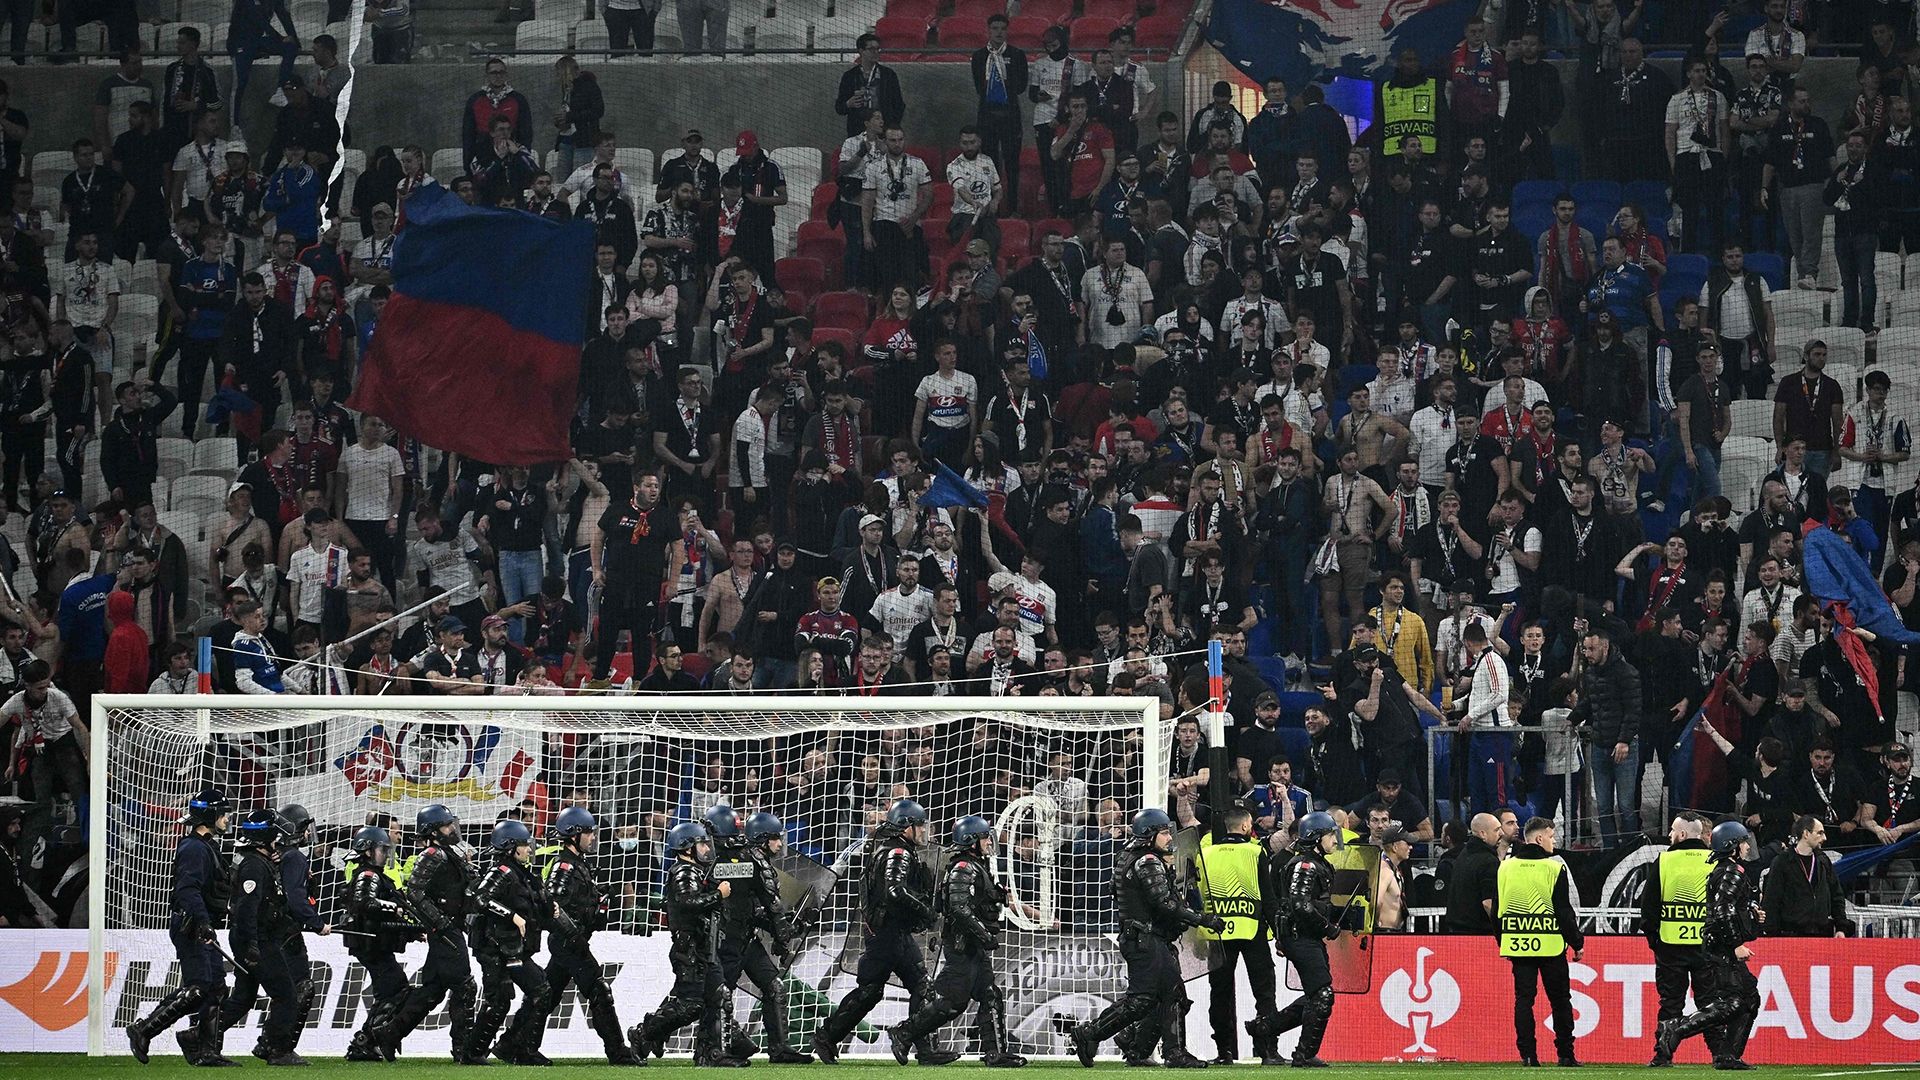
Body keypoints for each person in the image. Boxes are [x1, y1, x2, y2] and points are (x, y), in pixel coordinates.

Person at [1069, 807, 1221, 1068]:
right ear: (1148, 835)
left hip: (1145, 937)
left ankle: (1153, 1050)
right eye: (1163, 832)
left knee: (1171, 995)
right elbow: (1164, 903)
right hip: (1145, 938)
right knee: (1142, 1000)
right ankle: (1093, 1032)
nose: (1169, 838)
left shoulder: (1131, 856)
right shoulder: (1148, 861)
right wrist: (1201, 919)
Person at [812, 799, 960, 1064]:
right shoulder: (897, 853)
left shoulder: (894, 849)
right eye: (919, 825)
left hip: (893, 931)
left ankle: (922, 1048)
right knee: (872, 990)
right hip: (886, 933)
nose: (924, 831)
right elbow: (895, 891)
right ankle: (827, 1036)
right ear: (906, 827)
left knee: (920, 985)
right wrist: (926, 912)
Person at [887, 814, 1027, 1067]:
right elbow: (959, 909)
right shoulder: (963, 867)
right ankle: (904, 1032)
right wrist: (984, 935)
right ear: (971, 840)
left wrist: (997, 897)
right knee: (951, 1003)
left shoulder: (975, 865)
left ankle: (995, 1053)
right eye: (984, 837)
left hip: (973, 945)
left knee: (989, 995)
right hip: (963, 946)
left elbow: (975, 902)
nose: (989, 842)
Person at [127, 788, 233, 1066]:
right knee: (198, 988)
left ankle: (204, 1050)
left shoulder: (205, 845)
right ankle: (144, 1029)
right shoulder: (194, 848)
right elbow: (187, 890)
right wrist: (203, 922)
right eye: (224, 813)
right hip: (191, 924)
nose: (227, 819)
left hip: (200, 922)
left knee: (216, 987)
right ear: (210, 816)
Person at [366, 804, 479, 1063]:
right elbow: (414, 891)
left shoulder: (446, 853)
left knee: (432, 991)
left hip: (447, 927)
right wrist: (439, 923)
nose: (453, 828)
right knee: (464, 986)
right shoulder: (433, 854)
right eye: (447, 825)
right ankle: (464, 1050)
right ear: (433, 830)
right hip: (446, 929)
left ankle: (389, 1034)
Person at [626, 820, 745, 1066]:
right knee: (689, 1005)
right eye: (701, 843)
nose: (706, 848)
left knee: (717, 997)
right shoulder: (684, 872)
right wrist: (718, 895)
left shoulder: (697, 872)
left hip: (703, 946)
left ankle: (710, 1054)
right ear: (686, 847)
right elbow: (686, 903)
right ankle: (643, 1033)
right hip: (689, 948)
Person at [1653, 821, 1763, 1070]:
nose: (1747, 847)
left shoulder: (1723, 869)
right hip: (1723, 948)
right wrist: (1735, 945)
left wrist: (1752, 912)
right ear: (1732, 845)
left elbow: (1726, 907)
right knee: (1734, 1001)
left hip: (1716, 945)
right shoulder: (1733, 871)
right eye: (1743, 842)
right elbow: (1723, 911)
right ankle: (1677, 1027)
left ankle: (1727, 1055)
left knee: (1748, 997)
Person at [708, 805, 812, 1063]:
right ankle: (713, 1048)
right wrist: (782, 930)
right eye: (775, 838)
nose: (779, 844)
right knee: (716, 996)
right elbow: (767, 907)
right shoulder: (749, 862)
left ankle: (779, 1049)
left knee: (773, 986)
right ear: (762, 839)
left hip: (746, 937)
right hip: (727, 940)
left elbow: (754, 910)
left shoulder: (742, 861)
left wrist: (783, 928)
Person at [213, 809, 306, 1066]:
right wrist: (253, 945)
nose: (280, 840)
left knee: (243, 998)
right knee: (286, 994)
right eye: (277, 836)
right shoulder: (254, 865)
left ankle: (200, 1036)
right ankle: (277, 1050)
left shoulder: (258, 861)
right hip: (257, 940)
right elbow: (247, 909)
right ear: (267, 839)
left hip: (254, 938)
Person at [1263, 810, 1349, 1068]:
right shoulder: (1307, 865)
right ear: (1315, 837)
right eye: (1330, 834)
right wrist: (1327, 927)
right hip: (1302, 936)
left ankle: (1266, 1027)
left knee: (1317, 994)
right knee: (1322, 994)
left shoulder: (1313, 863)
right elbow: (1300, 905)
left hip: (1304, 936)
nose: (1335, 839)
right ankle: (1303, 1054)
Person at [1195, 805, 1279, 1064]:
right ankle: (1266, 1050)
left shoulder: (1205, 854)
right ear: (1245, 826)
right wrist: (1279, 934)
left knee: (1219, 993)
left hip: (1217, 932)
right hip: (1252, 929)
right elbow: (1268, 897)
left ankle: (1224, 1051)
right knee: (1264, 992)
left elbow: (1197, 894)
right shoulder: (1256, 851)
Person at [1499, 816, 1583, 1067]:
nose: (1554, 841)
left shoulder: (1505, 867)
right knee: (1560, 1000)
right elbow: (1563, 912)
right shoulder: (1554, 868)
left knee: (1523, 999)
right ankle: (1565, 1054)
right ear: (1539, 838)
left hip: (1518, 944)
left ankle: (1527, 1055)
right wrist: (1577, 942)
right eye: (1551, 835)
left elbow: (1497, 910)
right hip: (1550, 946)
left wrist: (1503, 939)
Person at [468, 818, 552, 1065]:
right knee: (503, 999)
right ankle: (475, 1053)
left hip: (511, 947)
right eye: (524, 844)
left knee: (536, 991)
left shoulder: (521, 873)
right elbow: (480, 899)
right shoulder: (502, 871)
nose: (529, 849)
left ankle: (514, 1048)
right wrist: (511, 916)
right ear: (511, 846)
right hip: (495, 948)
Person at [341, 825, 418, 1062]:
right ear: (367, 851)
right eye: (381, 850)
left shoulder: (376, 875)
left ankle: (367, 1040)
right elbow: (364, 902)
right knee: (394, 988)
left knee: (391, 990)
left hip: (376, 943)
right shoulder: (368, 875)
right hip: (370, 943)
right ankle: (365, 1040)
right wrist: (393, 907)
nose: (386, 854)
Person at [1643, 814, 1712, 1066]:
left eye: (1673, 831)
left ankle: (1662, 1055)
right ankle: (1720, 1053)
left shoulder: (1665, 860)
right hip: (1707, 948)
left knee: (1670, 1003)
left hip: (1670, 947)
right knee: (1710, 1004)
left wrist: (1656, 942)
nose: (1670, 835)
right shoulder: (1715, 861)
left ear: (1682, 835)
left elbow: (1649, 906)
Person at [1759, 815, 1853, 937]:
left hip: (1821, 935)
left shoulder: (1823, 861)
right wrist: (1771, 934)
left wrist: (1841, 928)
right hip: (1790, 936)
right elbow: (1771, 900)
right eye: (1820, 833)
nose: (1824, 838)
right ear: (1806, 834)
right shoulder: (1782, 861)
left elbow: (1837, 896)